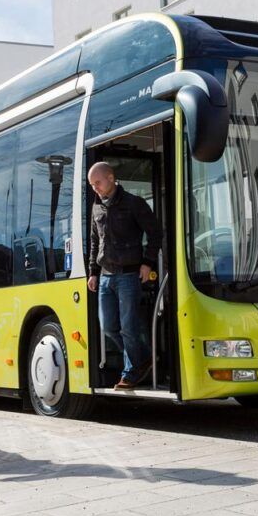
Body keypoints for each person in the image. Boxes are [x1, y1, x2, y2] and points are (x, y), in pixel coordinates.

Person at [87, 162, 162, 390]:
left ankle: (130, 373)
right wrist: (93, 272)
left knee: (128, 327)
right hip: (106, 277)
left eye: (97, 183)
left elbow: (156, 233)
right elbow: (94, 241)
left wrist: (147, 263)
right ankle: (144, 359)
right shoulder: (96, 207)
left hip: (129, 276)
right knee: (108, 326)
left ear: (110, 177)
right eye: (92, 185)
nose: (95, 188)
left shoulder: (134, 203)